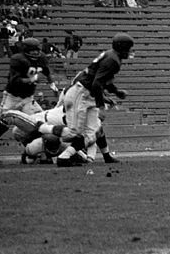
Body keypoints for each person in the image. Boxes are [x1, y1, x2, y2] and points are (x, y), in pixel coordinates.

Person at [52, 33, 134, 166]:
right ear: (122, 47)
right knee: (74, 133)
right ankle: (44, 131)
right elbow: (97, 83)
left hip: (87, 94)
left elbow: (102, 80)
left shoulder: (111, 56)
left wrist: (116, 91)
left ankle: (64, 157)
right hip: (81, 93)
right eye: (129, 48)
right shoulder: (113, 60)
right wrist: (101, 107)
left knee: (94, 132)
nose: (130, 51)